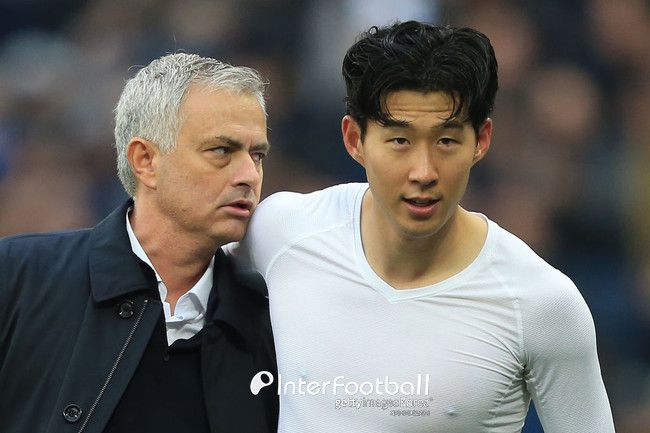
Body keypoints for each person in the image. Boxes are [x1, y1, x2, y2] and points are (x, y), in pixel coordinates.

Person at [228, 21, 615, 432]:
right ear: (354, 139)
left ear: (481, 140)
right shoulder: (281, 232)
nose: (424, 172)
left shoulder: (542, 303)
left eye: (446, 141)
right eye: (400, 140)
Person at [0, 53, 278, 433]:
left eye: (257, 155)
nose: (249, 175)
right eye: (221, 151)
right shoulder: (18, 277)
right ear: (145, 160)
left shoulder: (273, 315)